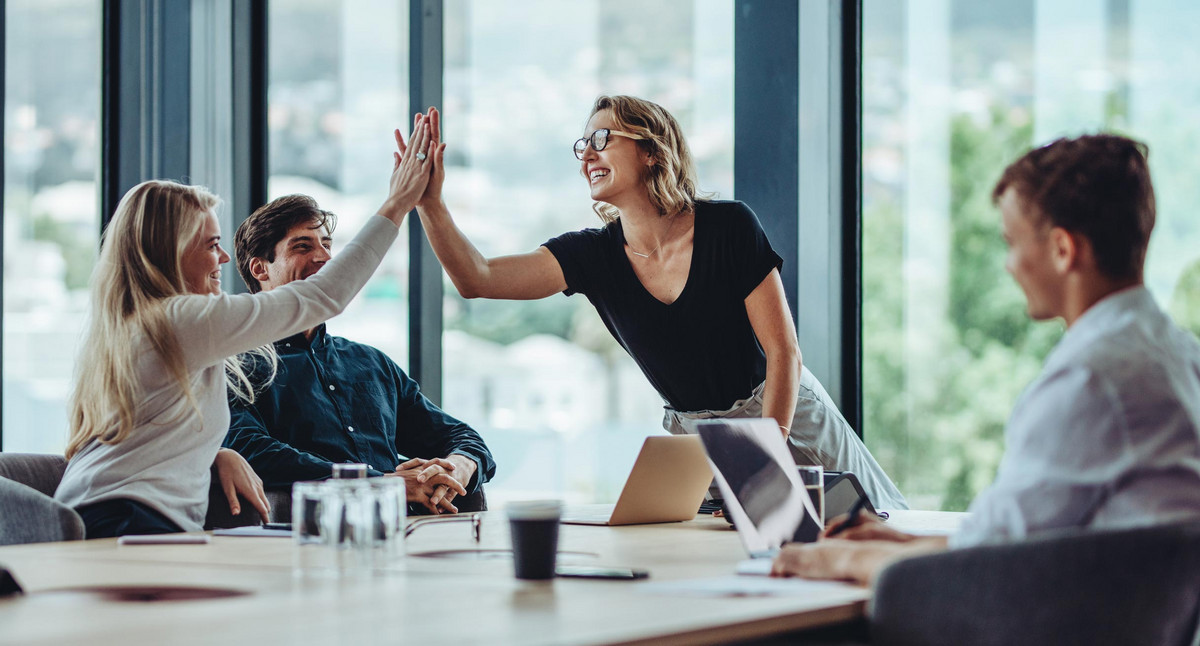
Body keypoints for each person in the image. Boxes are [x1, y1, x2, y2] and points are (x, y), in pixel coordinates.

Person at [407, 95, 907, 510]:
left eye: (603, 138)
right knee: (731, 565)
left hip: (784, 413)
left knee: (875, 531)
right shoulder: (592, 255)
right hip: (698, 442)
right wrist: (430, 203)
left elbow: (784, 354)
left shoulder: (729, 226)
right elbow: (478, 278)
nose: (587, 155)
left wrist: (763, 454)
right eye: (583, 145)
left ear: (651, 150)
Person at [771, 134, 1200, 584]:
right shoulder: (1178, 355)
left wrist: (837, 560)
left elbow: (986, 566)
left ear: (1062, 250)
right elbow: (1011, 538)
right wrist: (901, 542)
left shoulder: (1091, 378)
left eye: (1013, 244)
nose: (1009, 265)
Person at [54, 115, 436, 538]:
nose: (223, 259)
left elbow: (149, 433)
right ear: (170, 251)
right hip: (126, 520)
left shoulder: (137, 325)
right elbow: (324, 296)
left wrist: (216, 453)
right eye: (211, 245)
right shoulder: (178, 320)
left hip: (103, 513)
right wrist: (397, 204)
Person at [224, 194, 496, 515]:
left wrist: (459, 466)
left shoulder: (371, 362)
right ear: (260, 268)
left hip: (409, 534)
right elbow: (249, 449)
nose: (325, 257)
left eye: (326, 244)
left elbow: (459, 435)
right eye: (302, 246)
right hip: (312, 536)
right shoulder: (235, 365)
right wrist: (379, 483)